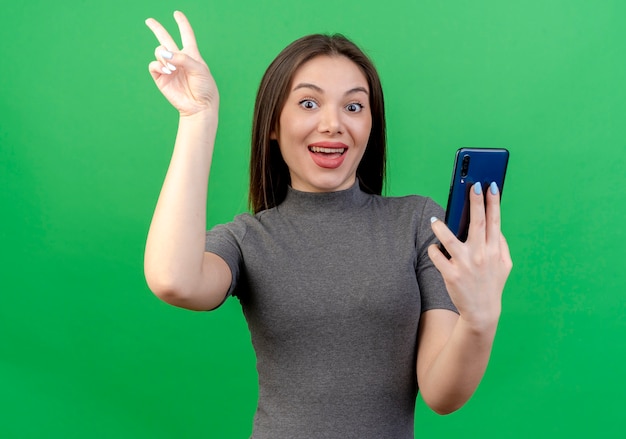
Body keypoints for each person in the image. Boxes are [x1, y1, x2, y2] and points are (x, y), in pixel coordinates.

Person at [144, 11, 512, 439]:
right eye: (308, 103)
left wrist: (481, 316)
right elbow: (173, 280)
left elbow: (441, 394)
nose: (333, 124)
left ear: (371, 127)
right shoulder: (249, 239)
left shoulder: (417, 225)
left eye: (354, 106)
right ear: (274, 127)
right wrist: (197, 117)